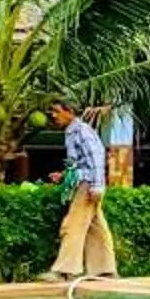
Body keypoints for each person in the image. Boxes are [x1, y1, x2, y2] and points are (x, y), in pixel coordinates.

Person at [45, 102, 119, 280]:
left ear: (69, 112)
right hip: (84, 181)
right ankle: (105, 269)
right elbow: (81, 162)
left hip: (88, 184)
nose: (53, 116)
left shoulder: (82, 131)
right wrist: (63, 175)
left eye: (57, 111)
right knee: (96, 227)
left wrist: (97, 186)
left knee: (72, 224)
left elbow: (96, 157)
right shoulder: (71, 132)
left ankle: (65, 270)